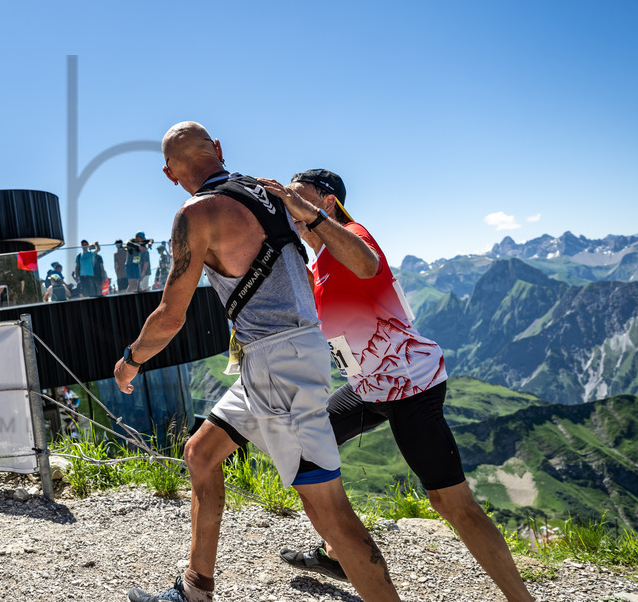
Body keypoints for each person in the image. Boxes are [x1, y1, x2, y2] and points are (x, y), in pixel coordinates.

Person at [115, 122, 399, 602]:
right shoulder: (269, 191)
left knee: (328, 508)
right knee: (201, 454)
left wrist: (130, 360)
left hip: (276, 365)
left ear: (168, 173)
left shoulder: (195, 214)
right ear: (219, 150)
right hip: (278, 357)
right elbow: (339, 268)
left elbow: (170, 316)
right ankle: (195, 590)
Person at [265, 169, 535, 602]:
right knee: (307, 446)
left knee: (451, 504)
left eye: (298, 196)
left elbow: (367, 265)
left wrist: (306, 213)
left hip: (409, 386)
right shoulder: (314, 264)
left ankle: (522, 599)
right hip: (369, 387)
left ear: (327, 201)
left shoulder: (352, 233)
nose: (288, 206)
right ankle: (337, 552)